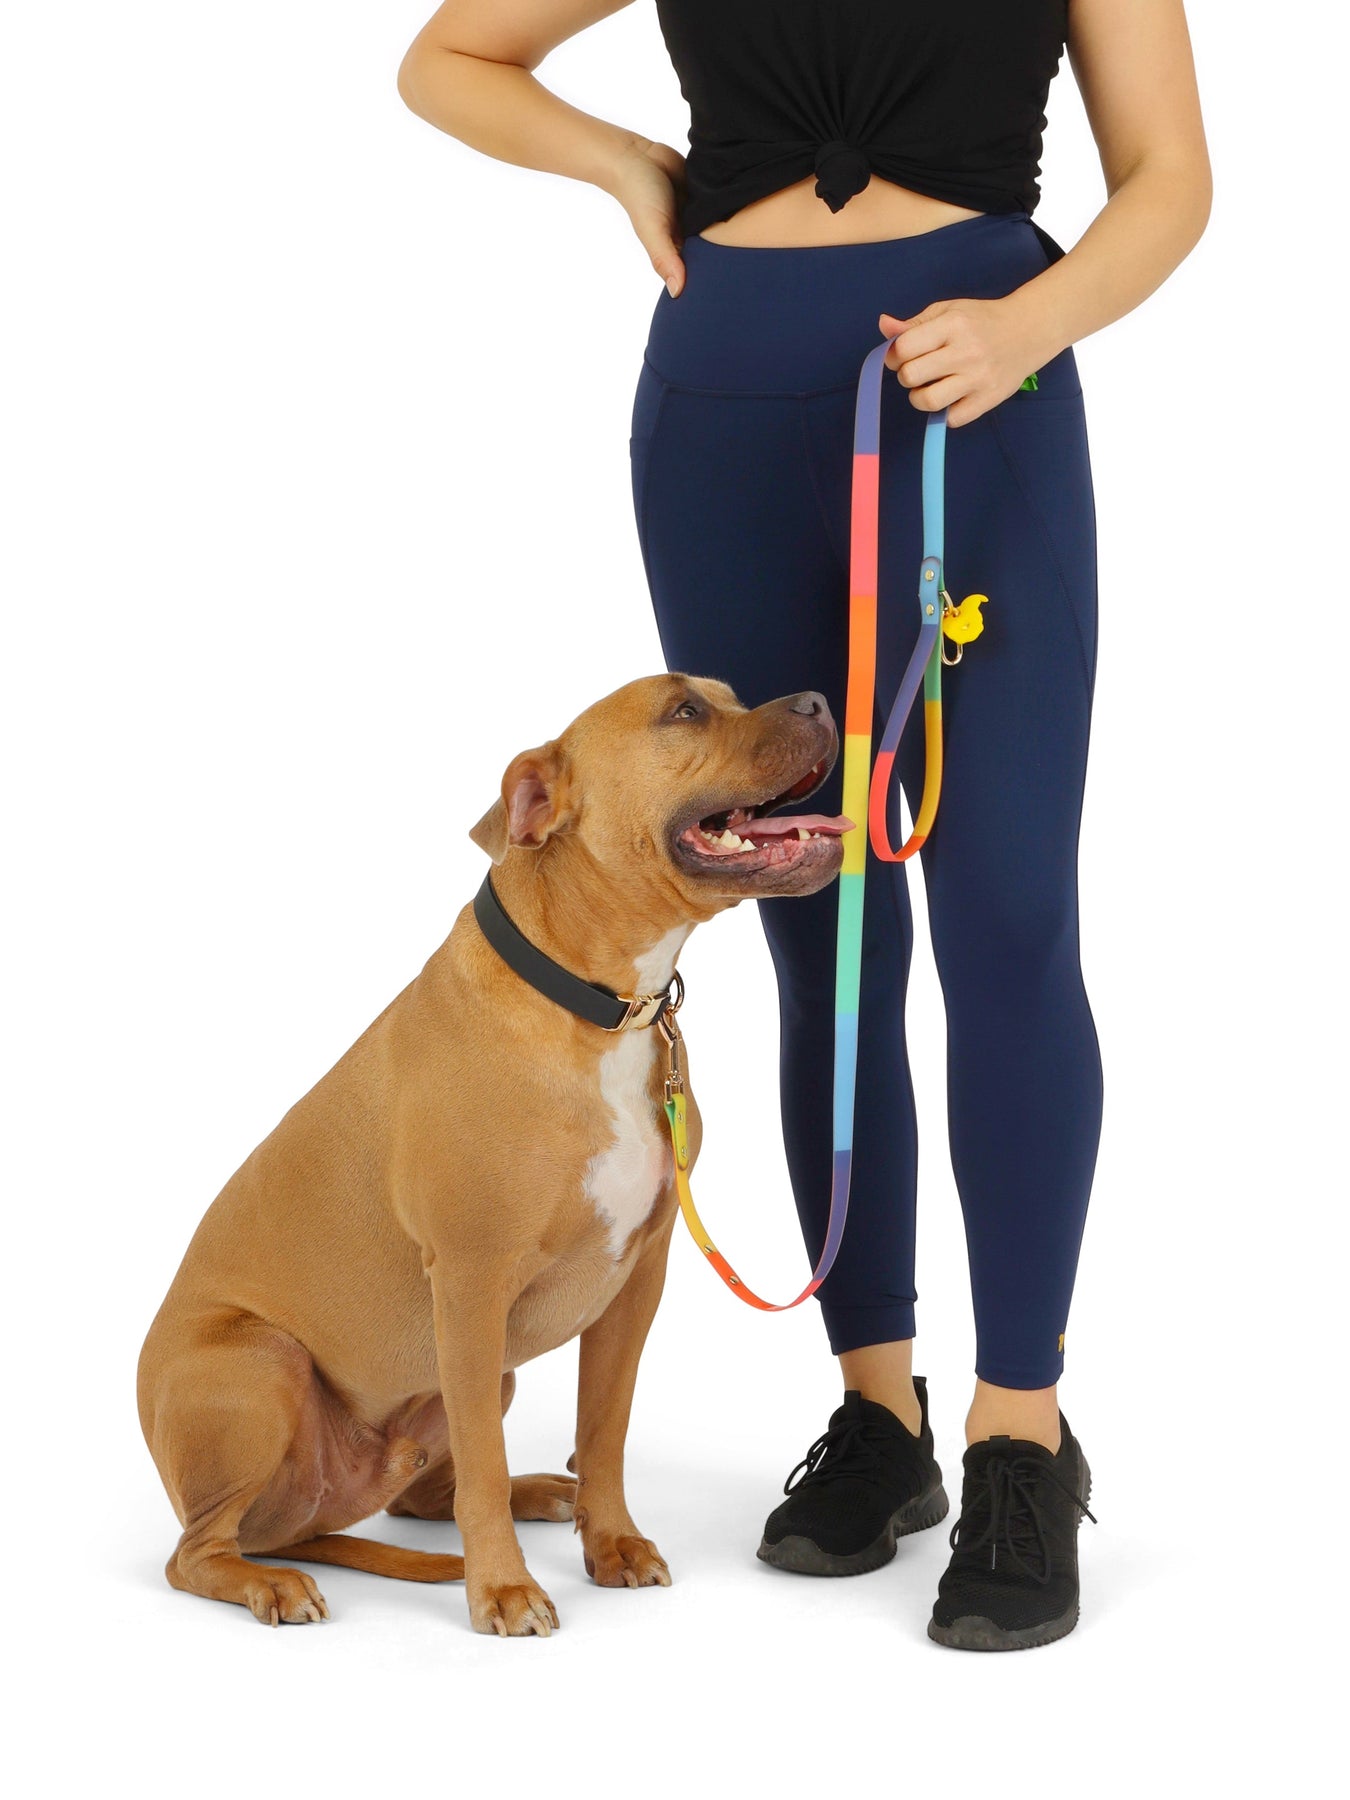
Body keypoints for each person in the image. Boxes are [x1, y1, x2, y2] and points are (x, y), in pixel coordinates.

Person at [397, 0, 1211, 1650]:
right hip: (723, 413)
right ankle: (876, 1409)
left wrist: (1032, 324)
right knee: (815, 927)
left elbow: (1169, 180)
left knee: (1006, 919)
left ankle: (1019, 1435)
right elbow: (447, 59)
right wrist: (624, 164)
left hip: (979, 409)